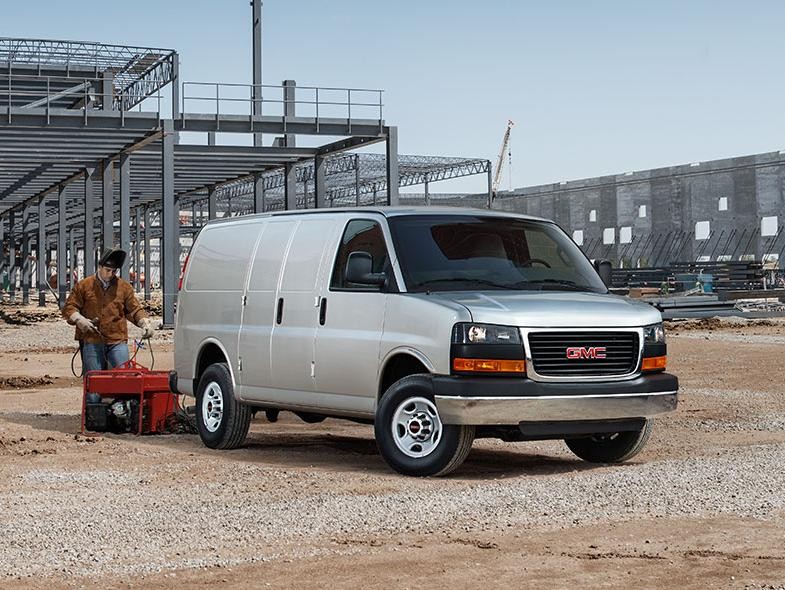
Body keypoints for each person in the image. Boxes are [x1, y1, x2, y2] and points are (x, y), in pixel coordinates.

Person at [62, 248, 154, 373]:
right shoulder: (84, 286)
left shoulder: (124, 287)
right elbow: (69, 307)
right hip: (92, 339)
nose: (110, 274)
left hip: (117, 339)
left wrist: (144, 322)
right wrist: (79, 319)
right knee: (94, 382)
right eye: (108, 270)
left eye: (114, 271)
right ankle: (94, 393)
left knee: (125, 376)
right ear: (100, 266)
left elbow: (134, 309)